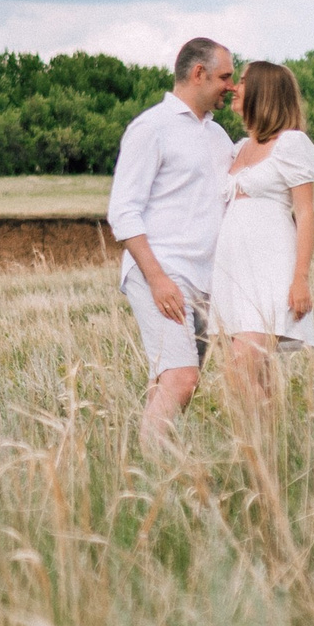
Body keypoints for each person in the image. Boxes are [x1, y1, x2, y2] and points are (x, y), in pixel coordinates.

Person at [108, 36, 238, 437]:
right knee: (182, 378)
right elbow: (123, 211)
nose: (231, 86)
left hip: (205, 281)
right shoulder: (152, 128)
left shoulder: (219, 137)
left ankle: (143, 465)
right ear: (199, 73)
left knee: (172, 381)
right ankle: (153, 465)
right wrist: (158, 279)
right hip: (162, 272)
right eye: (225, 77)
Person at [209, 60, 314, 402]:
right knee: (258, 374)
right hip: (234, 273)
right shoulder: (238, 147)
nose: (234, 87)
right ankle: (268, 437)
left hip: (270, 272)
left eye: (242, 81)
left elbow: (305, 212)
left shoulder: (291, 144)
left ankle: (259, 438)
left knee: (240, 368)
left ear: (263, 91)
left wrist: (300, 278)